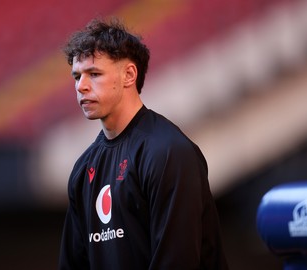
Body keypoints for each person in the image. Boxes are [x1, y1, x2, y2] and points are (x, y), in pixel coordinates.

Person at [59, 17, 229, 270]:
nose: (80, 86)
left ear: (129, 75)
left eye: (94, 74)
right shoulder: (84, 168)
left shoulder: (168, 152)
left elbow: (177, 261)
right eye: (76, 76)